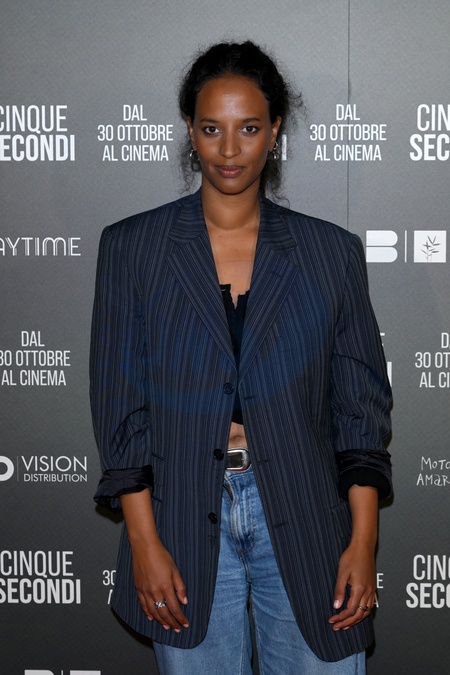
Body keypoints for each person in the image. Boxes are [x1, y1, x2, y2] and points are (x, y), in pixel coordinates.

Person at [90, 41, 392, 674]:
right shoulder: (133, 248)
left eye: (249, 128)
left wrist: (363, 542)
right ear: (190, 131)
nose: (229, 150)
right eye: (212, 129)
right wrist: (144, 542)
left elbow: (359, 414)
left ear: (275, 130)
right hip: (180, 518)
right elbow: (121, 414)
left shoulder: (329, 254)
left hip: (308, 512)